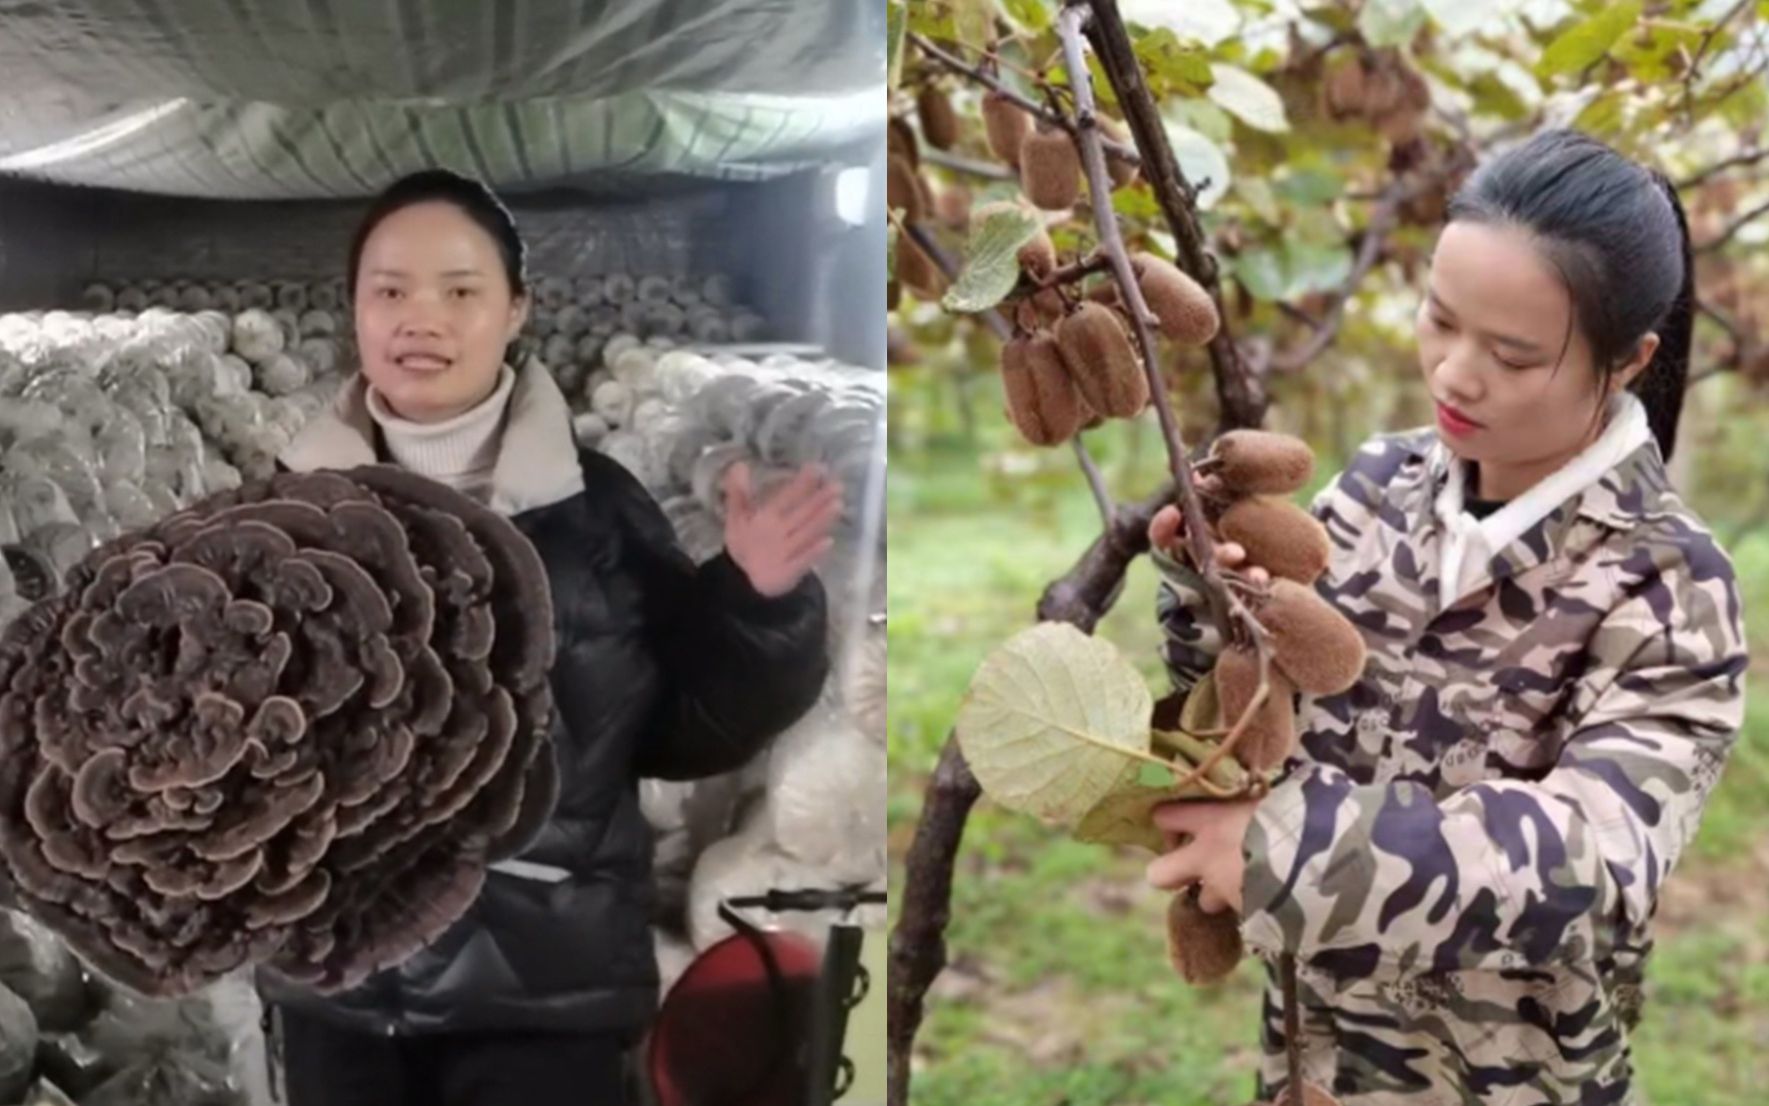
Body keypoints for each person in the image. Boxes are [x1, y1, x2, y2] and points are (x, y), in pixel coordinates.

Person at [1144, 129, 1747, 1104]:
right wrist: (1211, 597)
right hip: (1321, 1047)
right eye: (1436, 320)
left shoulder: (1666, 580)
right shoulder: (1379, 482)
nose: (1453, 376)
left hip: (1508, 1073)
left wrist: (1291, 848)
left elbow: (1595, 853)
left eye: (1511, 355)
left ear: (1628, 358)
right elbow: (1273, 693)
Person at [255, 168, 843, 1105]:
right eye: (390, 290)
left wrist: (756, 603)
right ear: (356, 308)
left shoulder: (596, 514)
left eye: (460, 290)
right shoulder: (275, 522)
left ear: (517, 309)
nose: (421, 318)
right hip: (340, 993)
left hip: (544, 995)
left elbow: (684, 732)